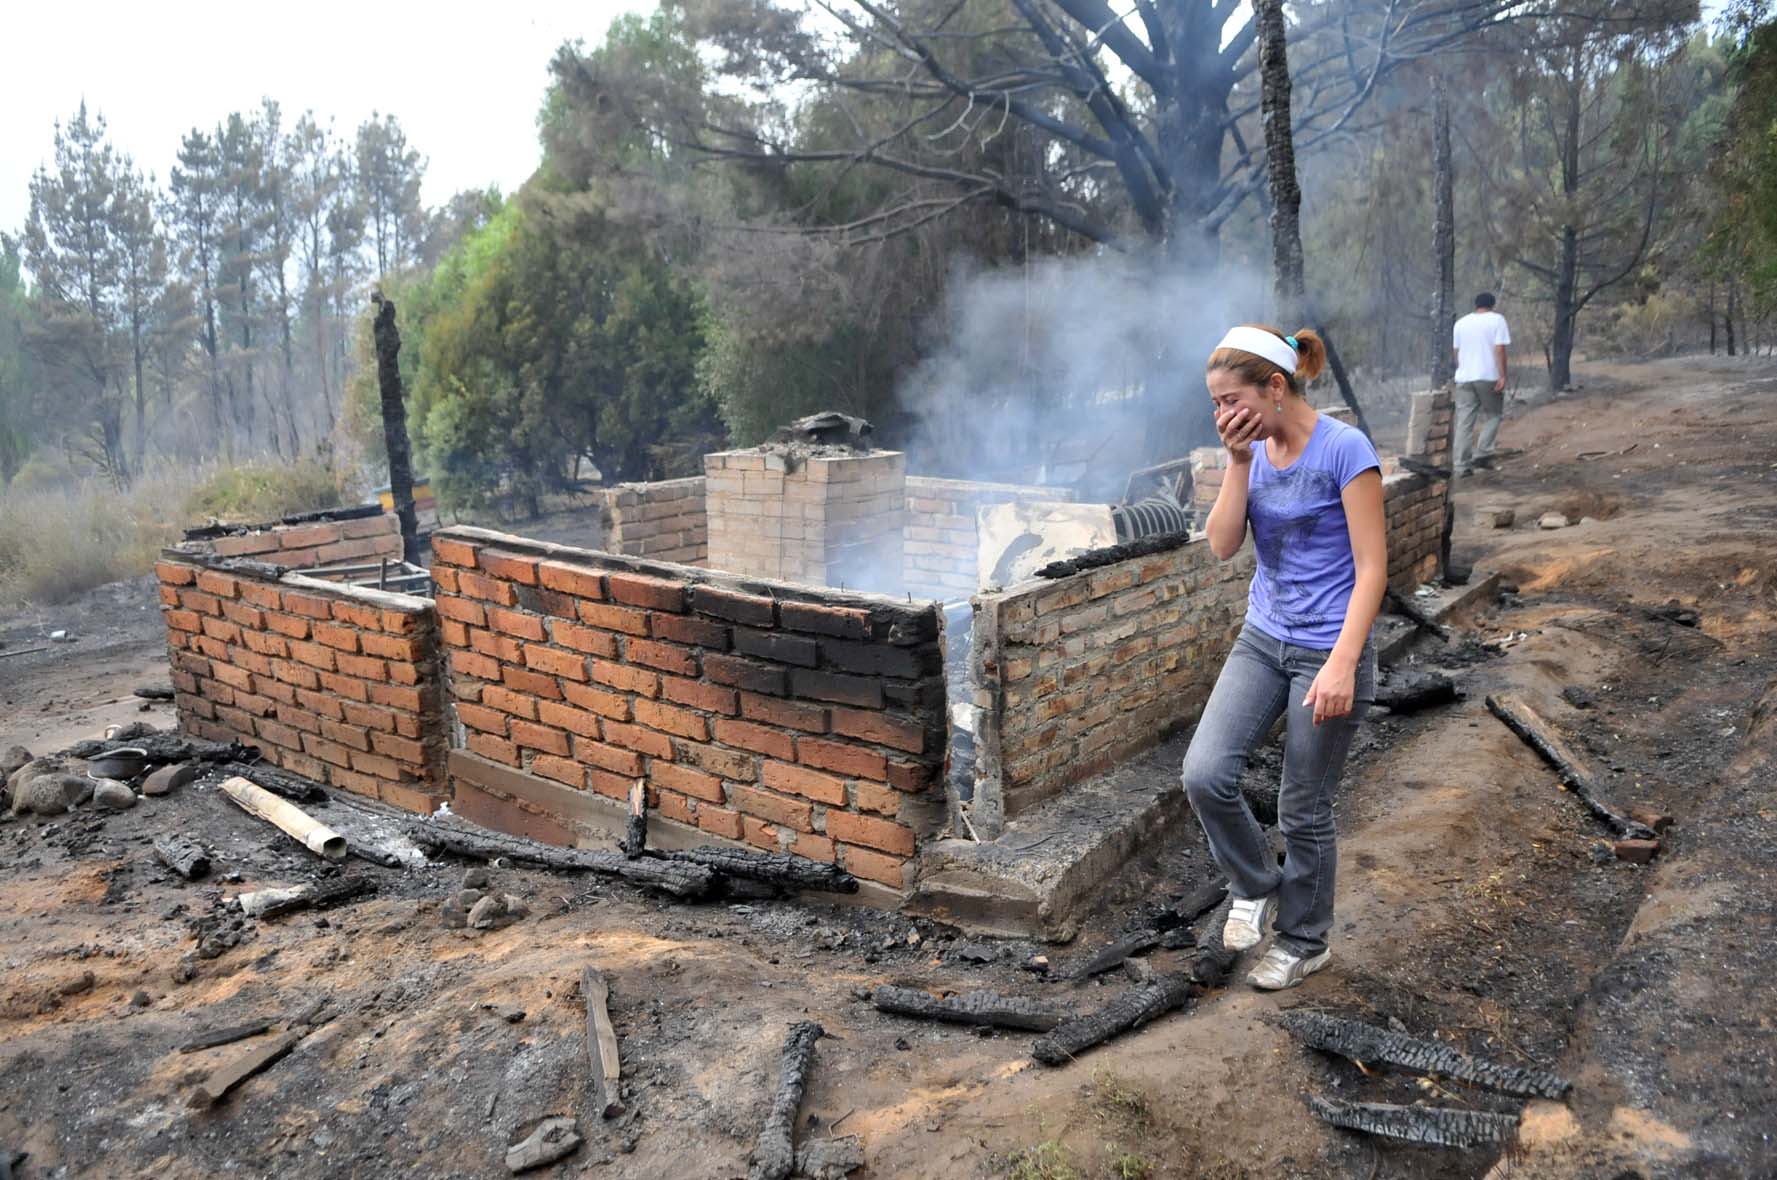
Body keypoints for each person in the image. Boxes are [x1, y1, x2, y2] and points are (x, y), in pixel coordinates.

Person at [1181, 324, 1386, 990]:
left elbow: (1371, 566)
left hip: (1329, 646)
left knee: (1303, 807)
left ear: (1275, 386)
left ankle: (1303, 941)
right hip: (1262, 639)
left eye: (1229, 399)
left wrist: (1342, 664)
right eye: (1213, 404)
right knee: (1204, 773)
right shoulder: (1253, 453)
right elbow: (1220, 545)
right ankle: (1255, 881)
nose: (1221, 416)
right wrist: (1237, 463)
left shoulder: (1343, 449)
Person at [1451, 292, 1512, 475]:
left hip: (1464, 378)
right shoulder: (1497, 320)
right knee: (1493, 415)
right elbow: (1499, 349)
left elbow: (1456, 352)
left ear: (1475, 305)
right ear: (1492, 305)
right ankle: (1483, 453)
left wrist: (1462, 369)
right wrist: (1502, 375)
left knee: (1464, 422)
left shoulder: (1460, 323)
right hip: (1488, 376)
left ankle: (1461, 466)